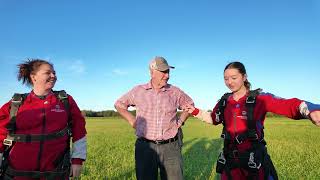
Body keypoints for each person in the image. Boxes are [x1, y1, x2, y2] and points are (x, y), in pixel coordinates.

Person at [183, 61, 320, 180]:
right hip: (230, 162)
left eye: (234, 77)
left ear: (244, 77)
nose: (229, 82)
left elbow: (289, 105)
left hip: (254, 161)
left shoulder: (260, 98)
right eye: (226, 79)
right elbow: (213, 118)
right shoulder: (224, 101)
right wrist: (194, 111)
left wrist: (310, 110)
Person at [0, 59, 87, 179]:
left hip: (56, 173)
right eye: (48, 73)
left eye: (54, 73)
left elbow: (79, 129)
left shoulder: (65, 100)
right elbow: (1, 132)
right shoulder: (16, 103)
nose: (53, 76)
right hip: (16, 174)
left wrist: (77, 160)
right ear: (33, 77)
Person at [114, 56, 194, 180]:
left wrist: (181, 121)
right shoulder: (138, 91)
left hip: (171, 147)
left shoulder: (174, 91)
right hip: (145, 147)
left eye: (168, 72)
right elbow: (119, 104)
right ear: (152, 72)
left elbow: (190, 105)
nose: (167, 75)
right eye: (163, 72)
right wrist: (132, 121)